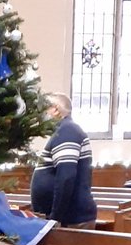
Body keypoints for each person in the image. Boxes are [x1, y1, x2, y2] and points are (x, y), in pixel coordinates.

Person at [31, 93, 97, 229]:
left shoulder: (67, 131)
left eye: (45, 109)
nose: (41, 114)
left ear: (55, 110)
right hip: (68, 218)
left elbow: (66, 177)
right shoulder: (65, 131)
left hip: (71, 220)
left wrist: (55, 218)